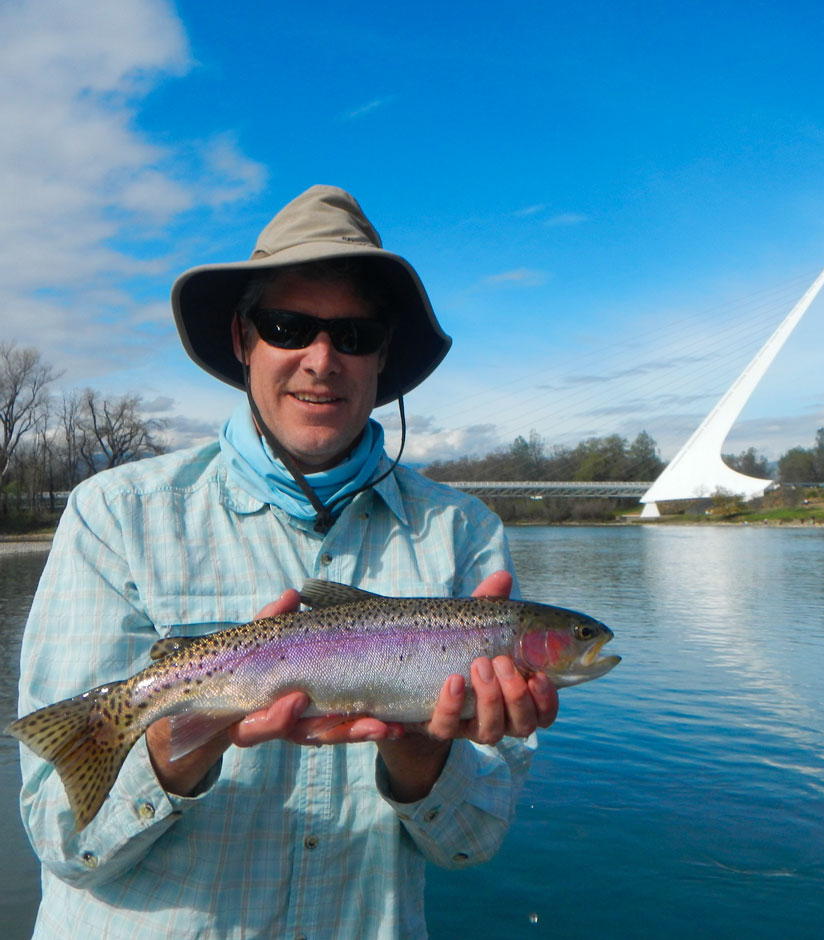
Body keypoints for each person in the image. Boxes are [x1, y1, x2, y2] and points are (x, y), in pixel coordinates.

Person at [15, 185, 559, 939]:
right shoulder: (114, 514)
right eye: (287, 326)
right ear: (244, 340)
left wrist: (423, 753)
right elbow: (62, 840)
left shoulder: (465, 535)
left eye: (356, 333)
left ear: (384, 353)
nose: (322, 359)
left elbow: (470, 844)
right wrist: (187, 738)